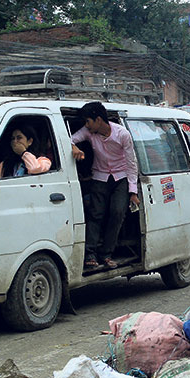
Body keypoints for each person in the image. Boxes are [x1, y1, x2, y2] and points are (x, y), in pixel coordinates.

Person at [70, 101, 139, 270]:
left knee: (117, 212)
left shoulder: (122, 134)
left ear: (98, 120)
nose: (86, 125)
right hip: (99, 177)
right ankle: (90, 253)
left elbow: (131, 163)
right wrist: (74, 147)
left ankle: (106, 253)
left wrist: (133, 191)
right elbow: (70, 139)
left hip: (120, 178)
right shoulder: (88, 132)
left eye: (88, 121)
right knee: (95, 214)